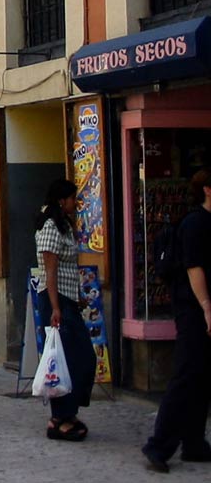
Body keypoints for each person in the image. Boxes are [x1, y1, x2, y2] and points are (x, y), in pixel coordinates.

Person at [142, 167, 211, 472]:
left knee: (202, 377)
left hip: (202, 309)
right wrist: (207, 307)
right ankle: (159, 445)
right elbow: (194, 269)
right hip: (194, 310)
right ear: (207, 189)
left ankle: (194, 443)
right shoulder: (196, 223)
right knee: (187, 375)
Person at [34, 178, 96, 442]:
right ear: (62, 200)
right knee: (67, 360)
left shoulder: (65, 226)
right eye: (72, 198)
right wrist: (56, 308)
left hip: (68, 299)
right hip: (56, 300)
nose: (76, 203)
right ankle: (59, 418)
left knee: (83, 358)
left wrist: (78, 296)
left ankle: (68, 414)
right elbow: (50, 270)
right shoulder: (50, 227)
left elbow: (69, 268)